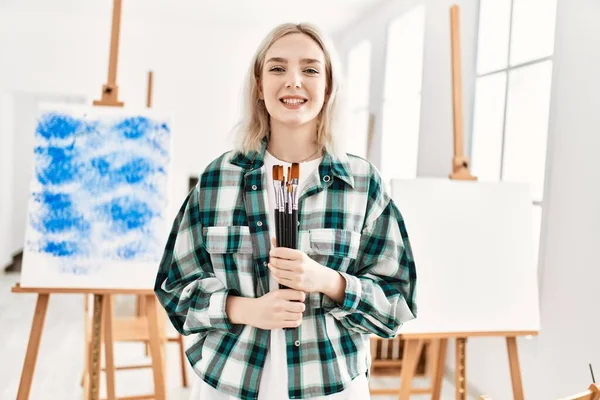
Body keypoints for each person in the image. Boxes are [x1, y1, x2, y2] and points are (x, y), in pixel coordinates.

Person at [154, 22, 417, 400]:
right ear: (259, 86)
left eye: (310, 69)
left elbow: (397, 304)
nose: (293, 80)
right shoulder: (218, 179)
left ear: (328, 88)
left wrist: (329, 281)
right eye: (277, 68)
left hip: (331, 387)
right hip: (226, 384)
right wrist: (245, 309)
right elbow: (174, 288)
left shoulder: (363, 183)